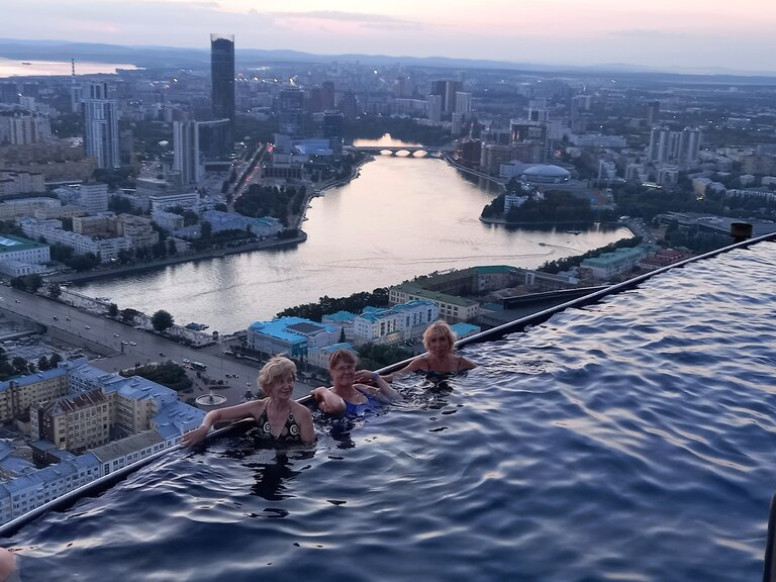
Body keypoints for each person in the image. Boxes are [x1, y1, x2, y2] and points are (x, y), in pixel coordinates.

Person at [183, 356, 315, 447]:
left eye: (290, 380)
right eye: (281, 382)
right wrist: (204, 428)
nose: (287, 386)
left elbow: (308, 450)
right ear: (268, 386)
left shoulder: (302, 413)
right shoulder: (258, 408)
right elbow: (216, 414)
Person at [311, 349, 400, 416]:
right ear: (332, 372)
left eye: (350, 367)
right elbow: (337, 406)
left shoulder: (361, 388)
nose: (347, 372)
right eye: (341, 368)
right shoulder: (327, 400)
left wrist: (375, 377)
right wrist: (323, 390)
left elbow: (395, 398)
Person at [383, 320, 476, 381]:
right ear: (428, 344)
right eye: (433, 340)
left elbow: (482, 373)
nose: (438, 344)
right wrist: (374, 378)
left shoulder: (460, 363)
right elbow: (399, 375)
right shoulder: (422, 362)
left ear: (449, 341)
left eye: (442, 339)